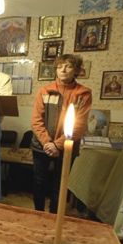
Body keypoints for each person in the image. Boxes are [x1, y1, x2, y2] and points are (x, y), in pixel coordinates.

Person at [31, 54, 92, 214]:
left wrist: (57, 145)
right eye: (59, 66)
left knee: (60, 183)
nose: (63, 70)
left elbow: (79, 125)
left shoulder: (83, 93)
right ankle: (37, 214)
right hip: (41, 146)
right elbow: (36, 121)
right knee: (39, 182)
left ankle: (54, 217)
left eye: (68, 66)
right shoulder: (45, 91)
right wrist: (47, 143)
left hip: (66, 147)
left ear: (77, 70)